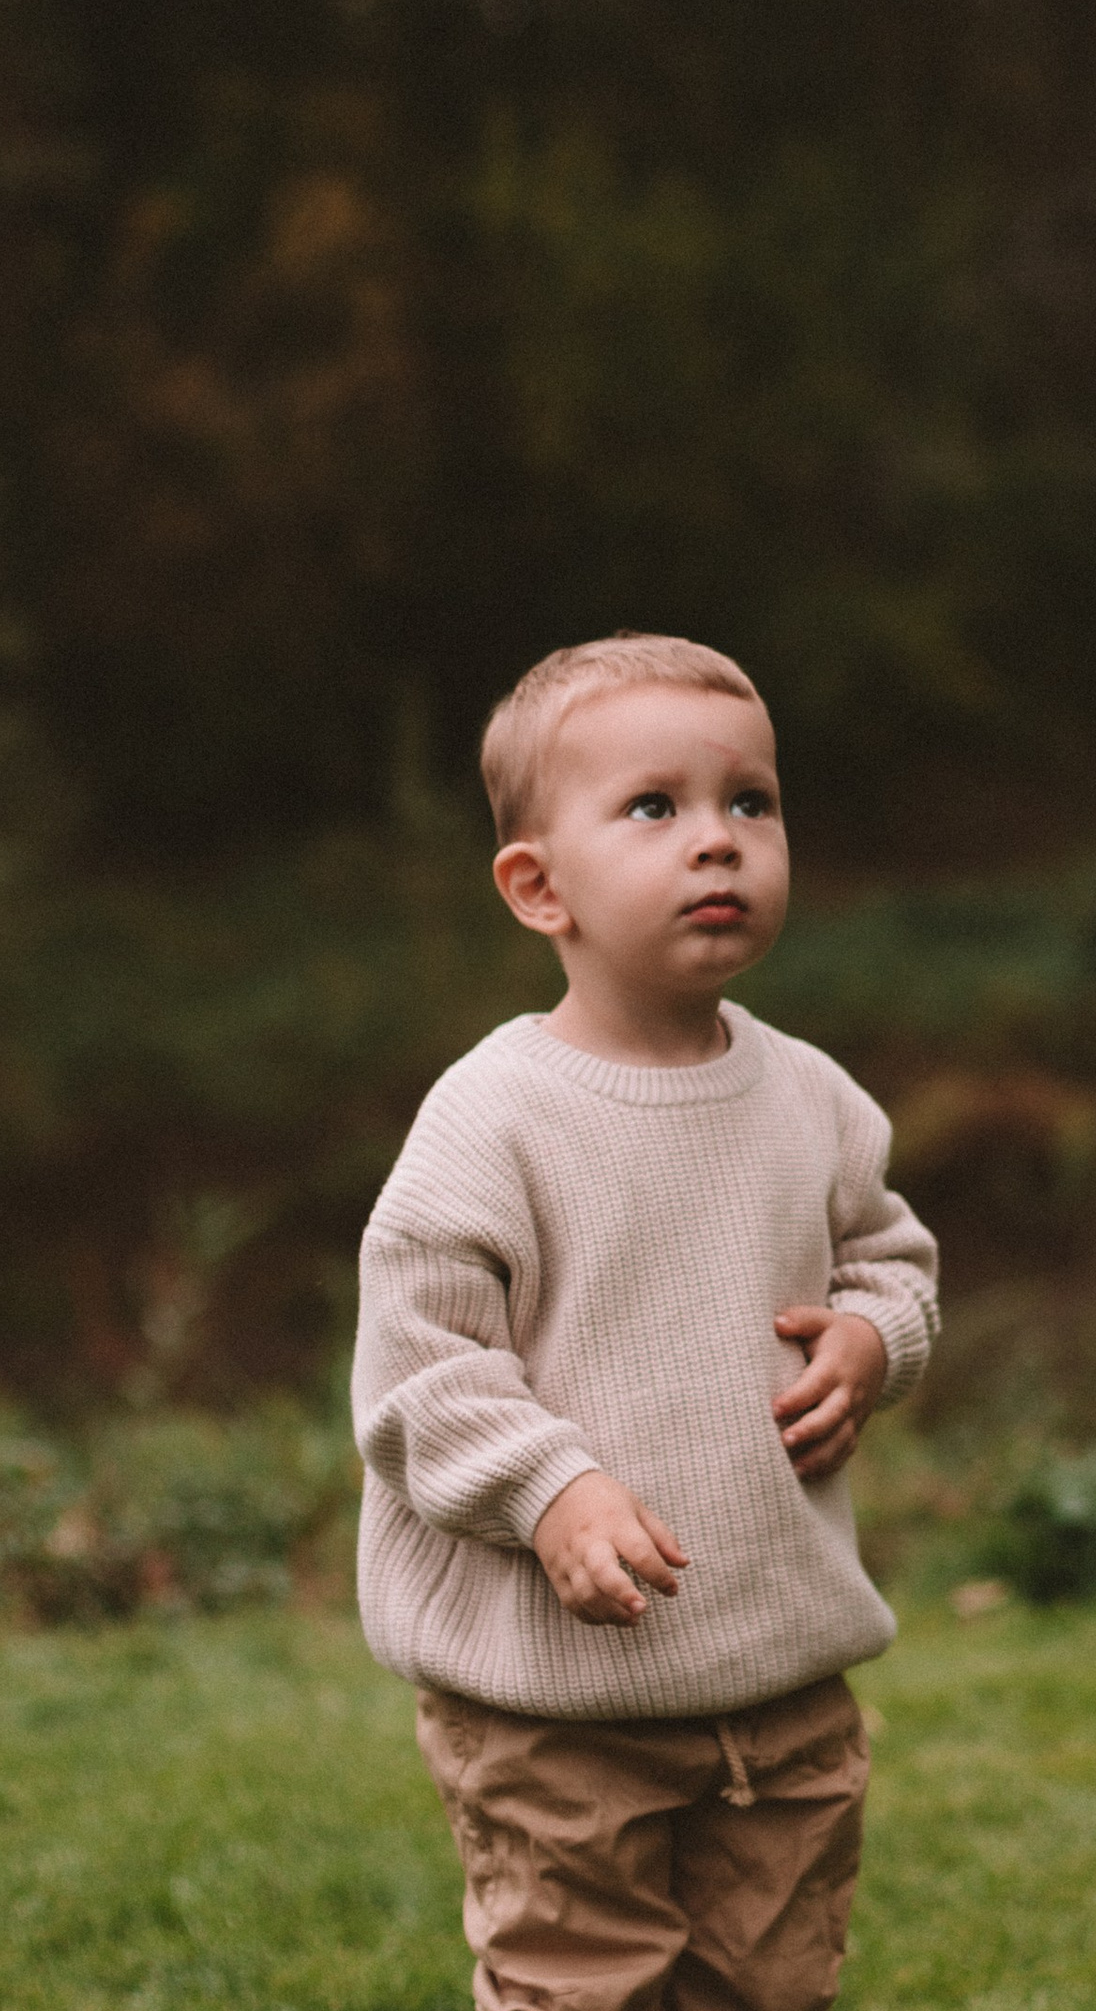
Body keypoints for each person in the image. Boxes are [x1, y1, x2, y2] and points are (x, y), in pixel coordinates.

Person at [352, 632, 939, 2011]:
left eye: (751, 802)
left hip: (778, 1679)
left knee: (775, 1985)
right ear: (537, 887)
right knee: (581, 1987)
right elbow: (419, 1371)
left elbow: (891, 1259)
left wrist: (873, 1338)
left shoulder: (813, 1100)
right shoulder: (495, 1118)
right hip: (557, 1705)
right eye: (655, 809)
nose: (719, 843)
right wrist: (551, 1488)